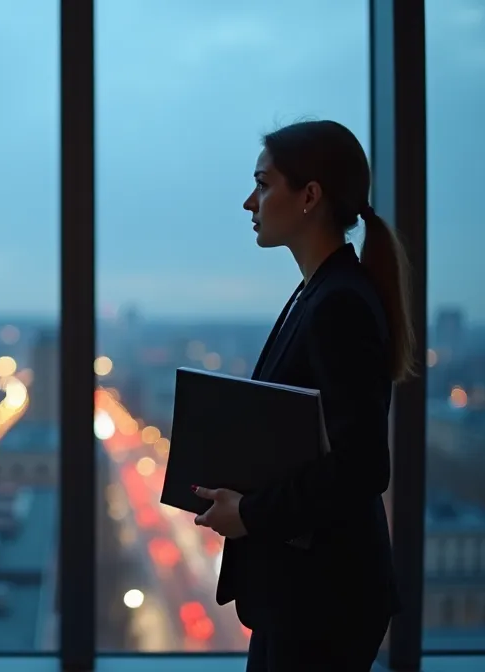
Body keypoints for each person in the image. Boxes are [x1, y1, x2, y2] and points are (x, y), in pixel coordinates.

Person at [191, 119, 411, 671]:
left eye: (263, 184)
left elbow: (361, 466)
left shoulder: (337, 303)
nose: (250, 202)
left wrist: (250, 513)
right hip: (309, 592)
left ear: (310, 196)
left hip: (322, 599)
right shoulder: (322, 292)